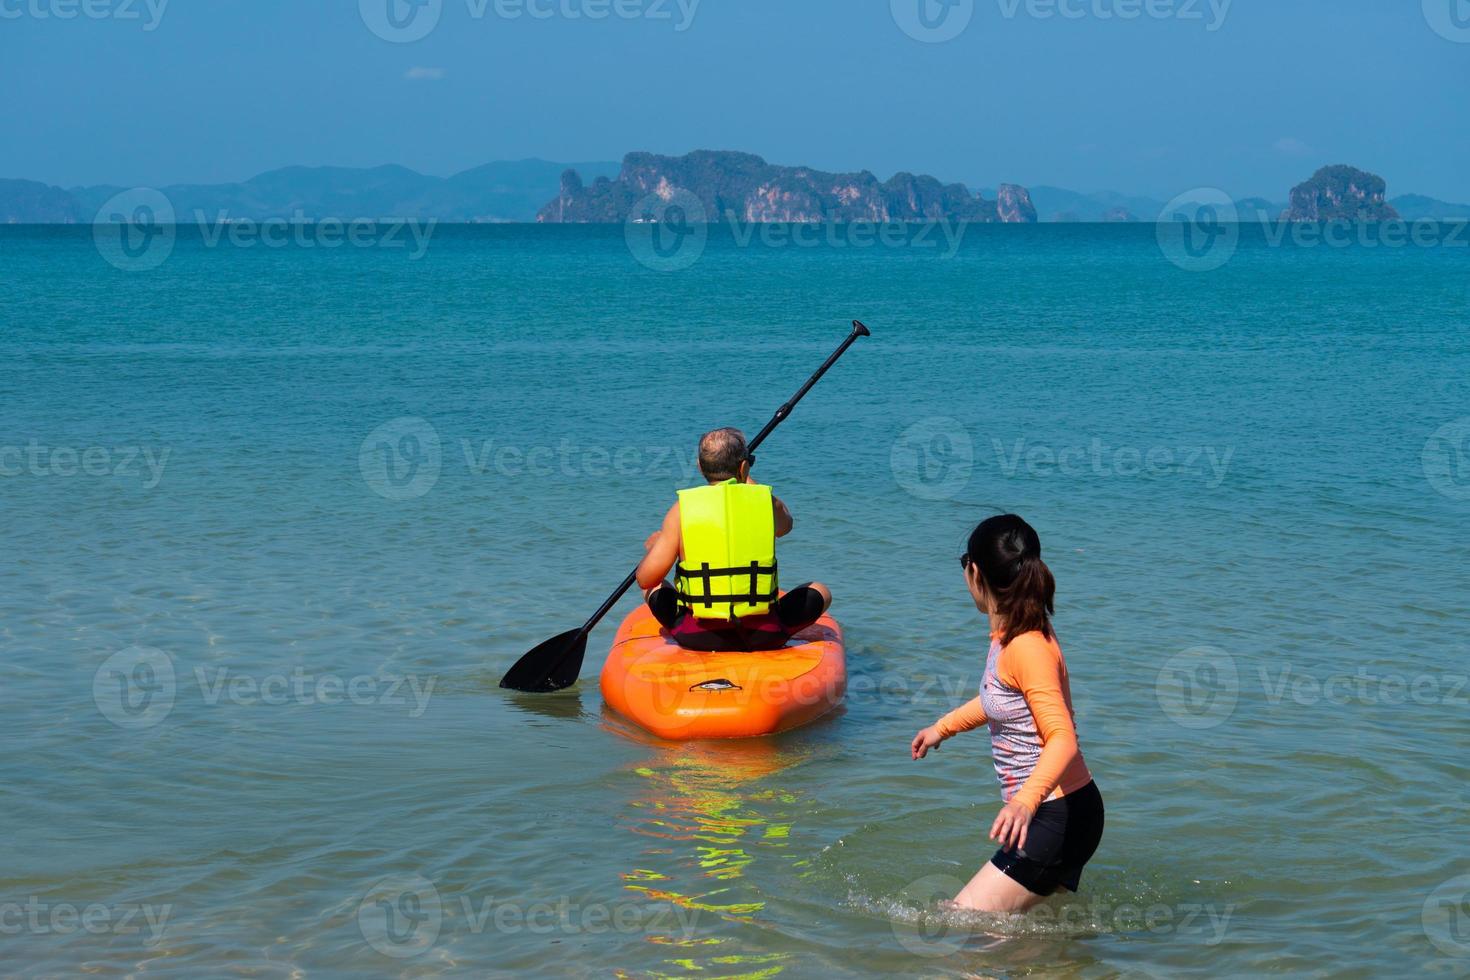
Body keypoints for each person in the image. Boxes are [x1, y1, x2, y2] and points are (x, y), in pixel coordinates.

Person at [910, 514, 1103, 912]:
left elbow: (1062, 737)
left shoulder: (1026, 646)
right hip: (1061, 811)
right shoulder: (1013, 633)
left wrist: (1025, 802)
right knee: (1032, 941)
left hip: (1056, 814)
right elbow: (1000, 701)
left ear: (975, 573)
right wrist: (941, 728)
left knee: (960, 927)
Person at [636, 427, 831, 652]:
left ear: (700, 468)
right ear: (744, 467)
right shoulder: (765, 502)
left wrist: (655, 547)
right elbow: (785, 526)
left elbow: (645, 579)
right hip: (765, 635)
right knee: (821, 590)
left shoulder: (682, 510)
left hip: (698, 636)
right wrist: (747, 479)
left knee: (654, 586)